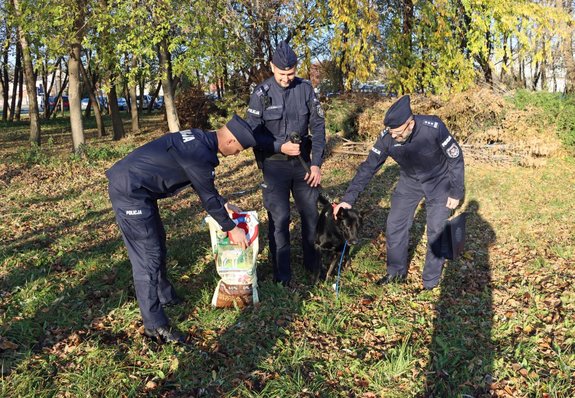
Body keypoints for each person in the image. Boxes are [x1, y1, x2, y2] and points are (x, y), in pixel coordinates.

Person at [106, 115, 256, 344]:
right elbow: (206, 195)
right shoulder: (199, 154)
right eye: (239, 149)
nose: (236, 155)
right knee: (147, 257)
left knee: (158, 242)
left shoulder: (199, 138)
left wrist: (223, 204)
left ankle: (164, 295)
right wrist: (230, 227)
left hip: (140, 188)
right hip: (130, 190)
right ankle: (154, 327)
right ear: (230, 141)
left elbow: (204, 186)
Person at [333, 95, 464, 290]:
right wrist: (348, 199)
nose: (393, 136)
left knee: (436, 229)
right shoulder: (387, 138)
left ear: (409, 123)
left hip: (439, 181)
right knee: (395, 225)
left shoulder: (433, 127)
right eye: (391, 132)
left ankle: (430, 281)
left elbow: (455, 157)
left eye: (397, 132)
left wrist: (456, 191)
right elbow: (368, 167)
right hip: (410, 181)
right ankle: (395, 273)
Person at [246, 40, 326, 286]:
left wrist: (316, 164)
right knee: (279, 219)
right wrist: (279, 146)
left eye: (291, 73)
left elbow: (319, 127)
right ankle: (282, 275)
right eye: (282, 74)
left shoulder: (305, 89)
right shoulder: (261, 94)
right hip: (274, 165)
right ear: (272, 67)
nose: (286, 78)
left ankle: (313, 266)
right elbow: (252, 135)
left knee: (311, 216)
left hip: (303, 165)